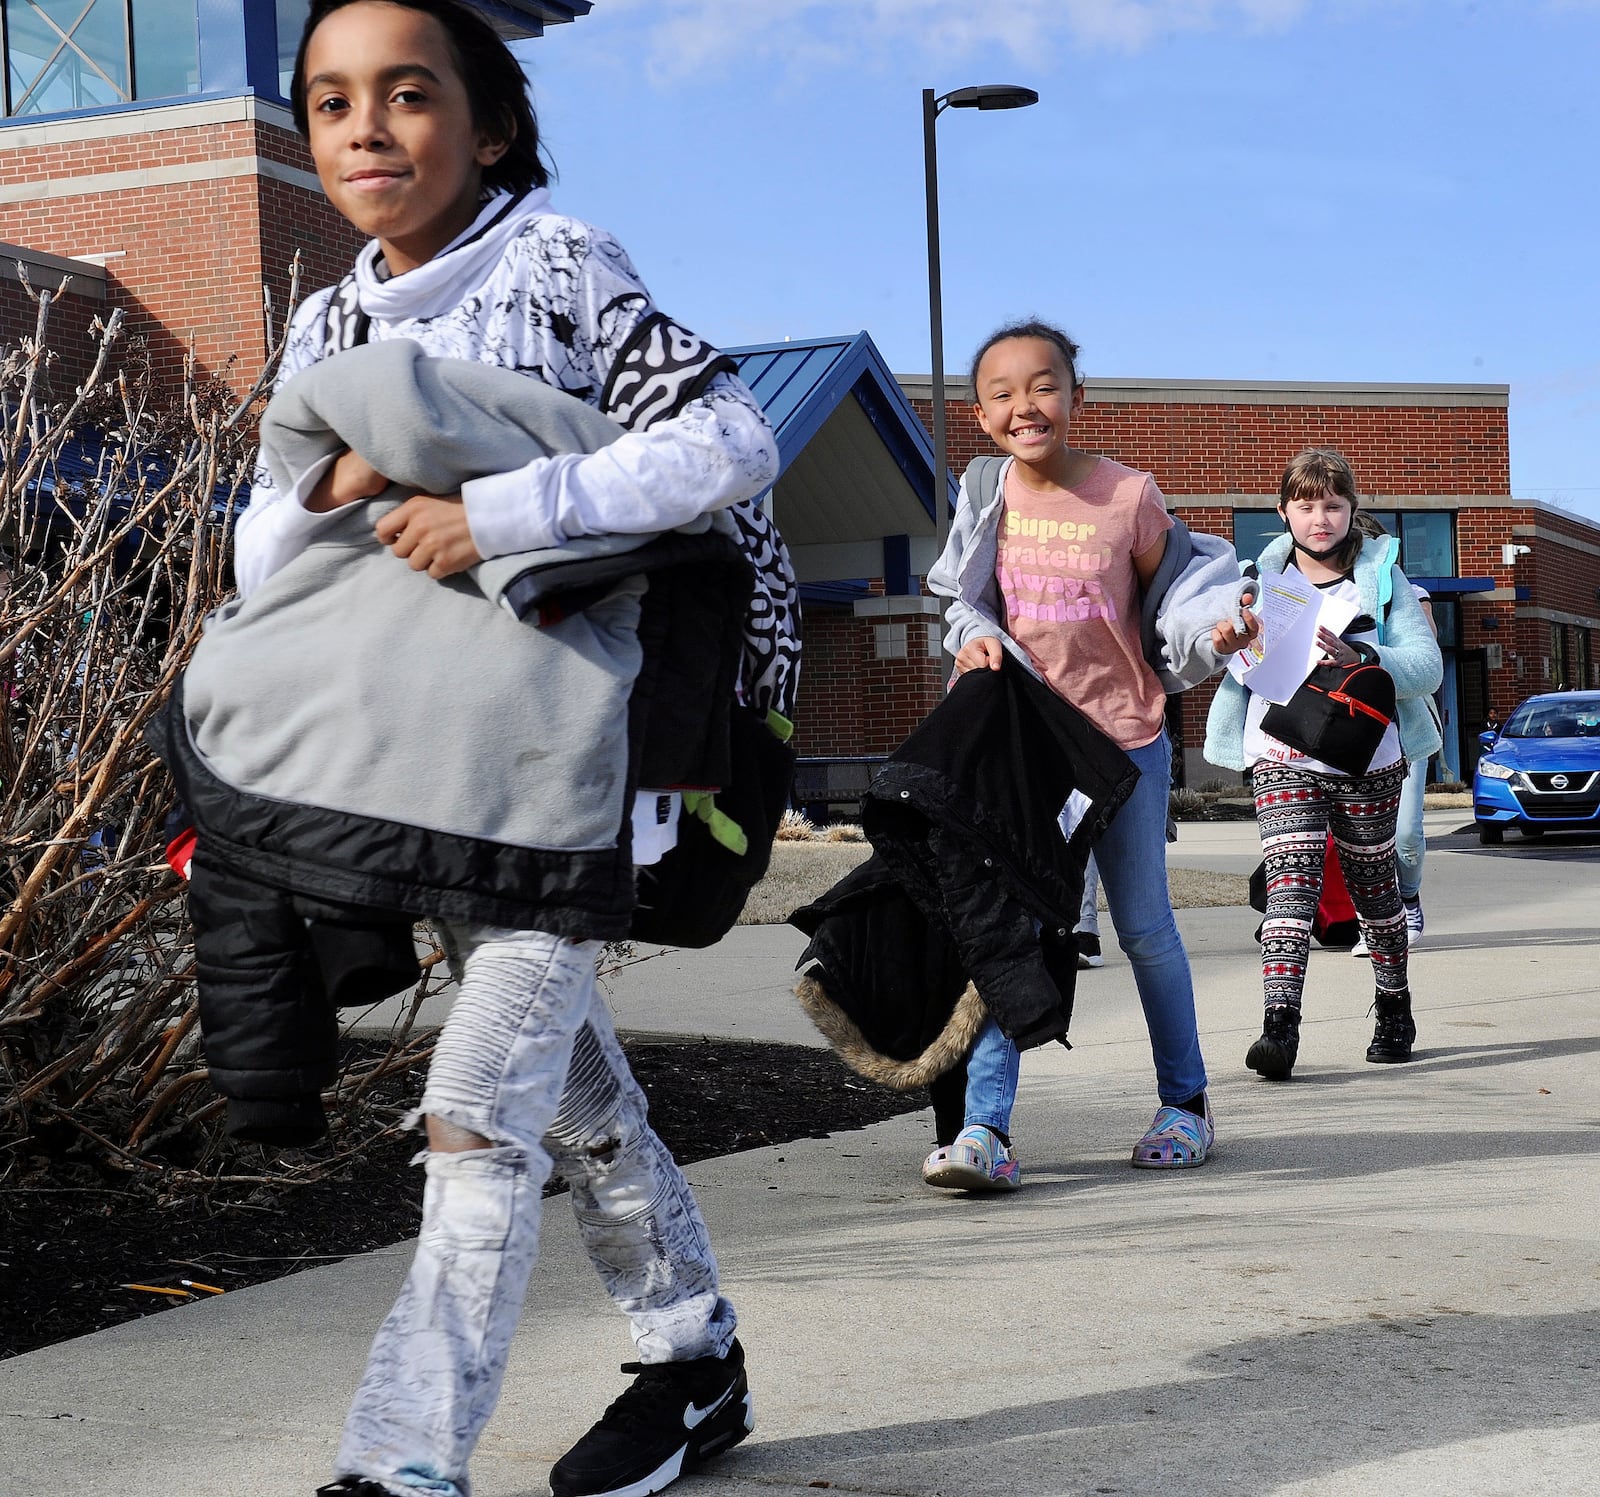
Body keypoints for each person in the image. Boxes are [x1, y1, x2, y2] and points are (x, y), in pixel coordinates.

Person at [212, 4, 781, 1493]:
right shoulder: (330, 321)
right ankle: (693, 1353)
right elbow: (259, 554)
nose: (366, 128)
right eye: (331, 102)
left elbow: (727, 442)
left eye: (409, 95)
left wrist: (499, 515)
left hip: (570, 763)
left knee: (477, 1102)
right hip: (422, 767)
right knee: (572, 1093)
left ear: (493, 127)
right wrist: (340, 472)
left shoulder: (559, 261)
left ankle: (401, 1460)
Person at [922, 320, 1250, 1191]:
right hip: (1028, 751)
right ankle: (986, 1130)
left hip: (1127, 743)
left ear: (1075, 395)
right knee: (1015, 928)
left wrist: (1212, 636)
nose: (1023, 404)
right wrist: (975, 638)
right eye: (1001, 392)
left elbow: (1174, 604)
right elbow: (960, 596)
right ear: (981, 414)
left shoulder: (1129, 495)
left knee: (1144, 928)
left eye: (1042, 385)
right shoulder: (986, 492)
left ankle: (1187, 1104)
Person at [1204, 448, 1442, 1080]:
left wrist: (1363, 655)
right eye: (1305, 504)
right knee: (1290, 888)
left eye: (1332, 504)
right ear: (1283, 511)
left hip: (1365, 758)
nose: (1319, 518)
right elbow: (1224, 663)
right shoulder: (1258, 585)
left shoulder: (1388, 586)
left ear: (1351, 510)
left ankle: (1394, 1004)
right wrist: (1231, 642)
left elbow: (1426, 671)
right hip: (1280, 754)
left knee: (1373, 888)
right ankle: (1278, 1030)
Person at [1346, 512, 1437, 957]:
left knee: (1404, 831)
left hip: (1405, 725)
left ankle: (1410, 899)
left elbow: (1425, 661)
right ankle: (1376, 920)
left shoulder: (1408, 593)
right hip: (1353, 725)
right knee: (1363, 835)